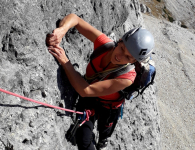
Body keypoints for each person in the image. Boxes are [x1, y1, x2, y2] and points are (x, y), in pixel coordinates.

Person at [46, 13, 154, 150]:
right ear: (120, 40)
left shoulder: (127, 78)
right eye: (121, 48)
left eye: (128, 57)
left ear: (133, 61)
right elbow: (75, 19)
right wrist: (62, 30)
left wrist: (66, 62)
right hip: (90, 99)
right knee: (83, 141)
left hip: (107, 108)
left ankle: (103, 140)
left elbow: (85, 90)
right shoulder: (105, 45)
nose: (120, 57)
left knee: (105, 131)